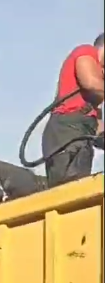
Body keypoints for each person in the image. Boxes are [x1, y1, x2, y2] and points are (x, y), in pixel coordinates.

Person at [42, 33, 104, 187]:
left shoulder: (91, 101)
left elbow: (96, 122)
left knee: (79, 183)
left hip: (79, 131)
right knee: (69, 187)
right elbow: (90, 83)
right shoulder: (87, 51)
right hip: (66, 130)